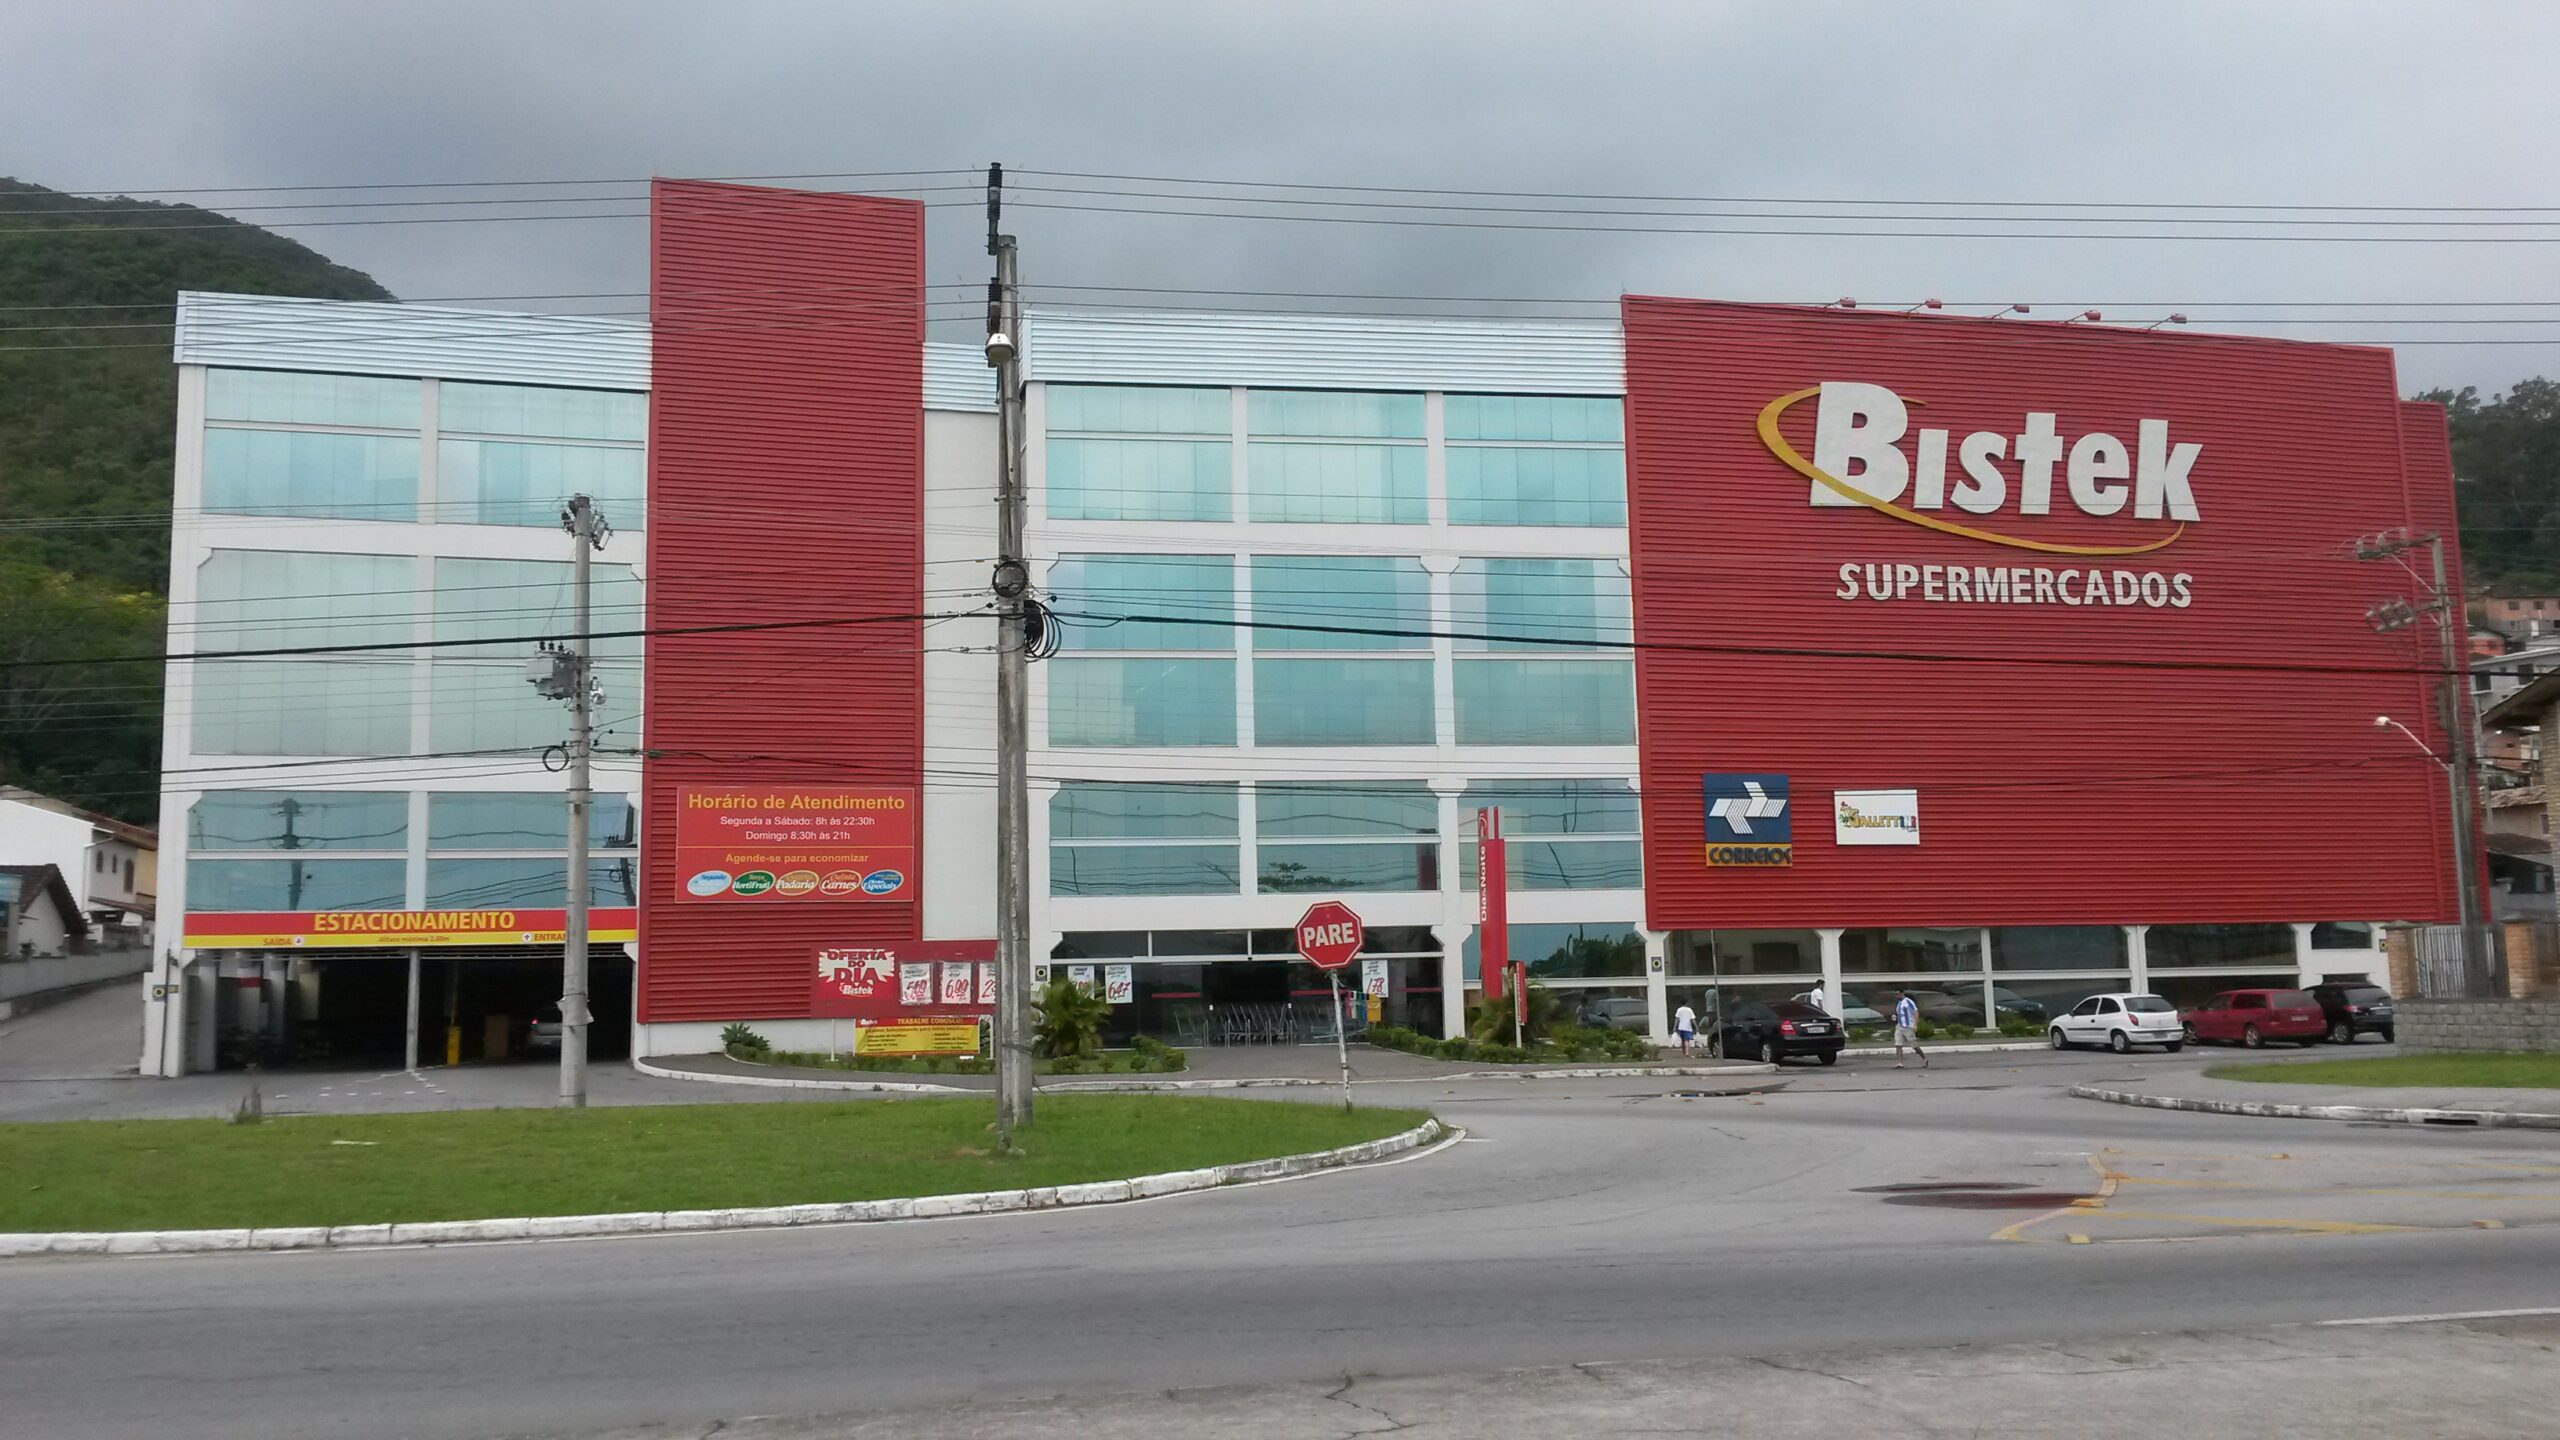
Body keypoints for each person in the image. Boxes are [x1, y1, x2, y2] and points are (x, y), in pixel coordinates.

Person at [1893, 990, 1928, 1070]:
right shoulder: (1898, 1003)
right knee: (1898, 1044)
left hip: (1908, 1026)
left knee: (1914, 1045)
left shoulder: (1908, 1001)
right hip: (1899, 1026)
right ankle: (1900, 1063)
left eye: (1897, 994)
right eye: (1895, 994)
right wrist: (1895, 1017)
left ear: (1902, 993)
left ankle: (1924, 1059)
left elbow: (1915, 1012)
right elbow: (1899, 1014)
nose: (1896, 996)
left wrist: (1915, 1024)